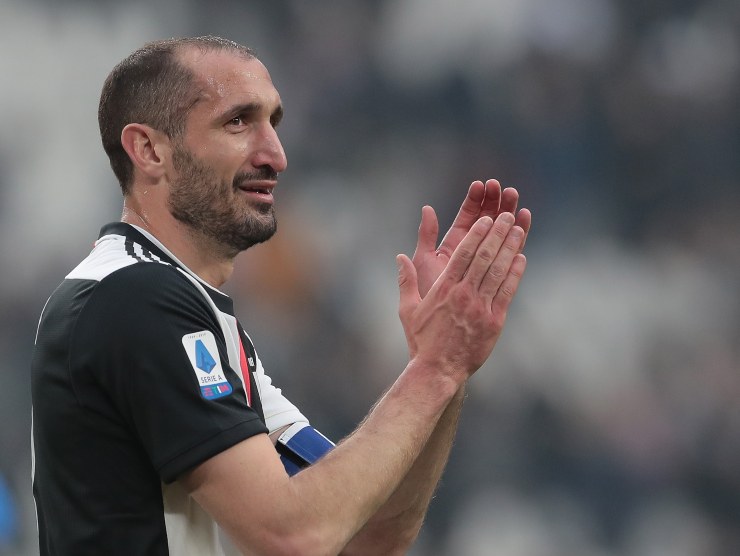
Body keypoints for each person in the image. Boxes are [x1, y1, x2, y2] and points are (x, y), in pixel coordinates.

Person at [30, 35, 532, 556]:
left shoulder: (190, 315)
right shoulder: (132, 298)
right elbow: (291, 537)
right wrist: (436, 369)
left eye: (274, 121)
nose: (276, 155)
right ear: (151, 150)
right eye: (238, 122)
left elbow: (368, 538)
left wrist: (441, 366)